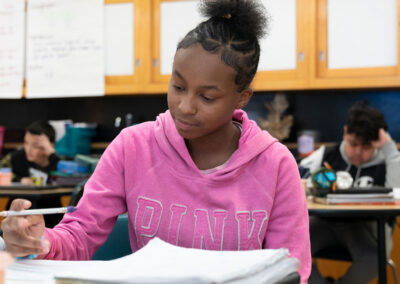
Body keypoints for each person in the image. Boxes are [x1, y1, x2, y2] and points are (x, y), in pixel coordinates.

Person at [1, 0, 311, 282]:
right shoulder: (132, 147)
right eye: (178, 86)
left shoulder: (276, 164)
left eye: (206, 96)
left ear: (241, 98)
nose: (185, 106)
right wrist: (38, 241)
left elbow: (290, 269)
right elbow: (80, 235)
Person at [300, 101, 400, 284]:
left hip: (362, 228)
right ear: (345, 133)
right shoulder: (326, 154)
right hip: (323, 223)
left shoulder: (387, 161)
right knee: (290, 249)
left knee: (374, 258)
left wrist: (390, 150)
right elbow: (294, 182)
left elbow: (397, 195)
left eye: (366, 147)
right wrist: (307, 184)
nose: (358, 152)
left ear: (377, 143)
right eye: (353, 144)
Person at [0, 120, 62, 228]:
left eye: (35, 145)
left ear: (50, 145)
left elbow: (68, 175)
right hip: (17, 213)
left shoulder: (56, 159)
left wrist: (51, 153)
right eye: (26, 143)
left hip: (50, 214)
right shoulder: (16, 157)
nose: (28, 149)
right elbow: (1, 169)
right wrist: (19, 180)